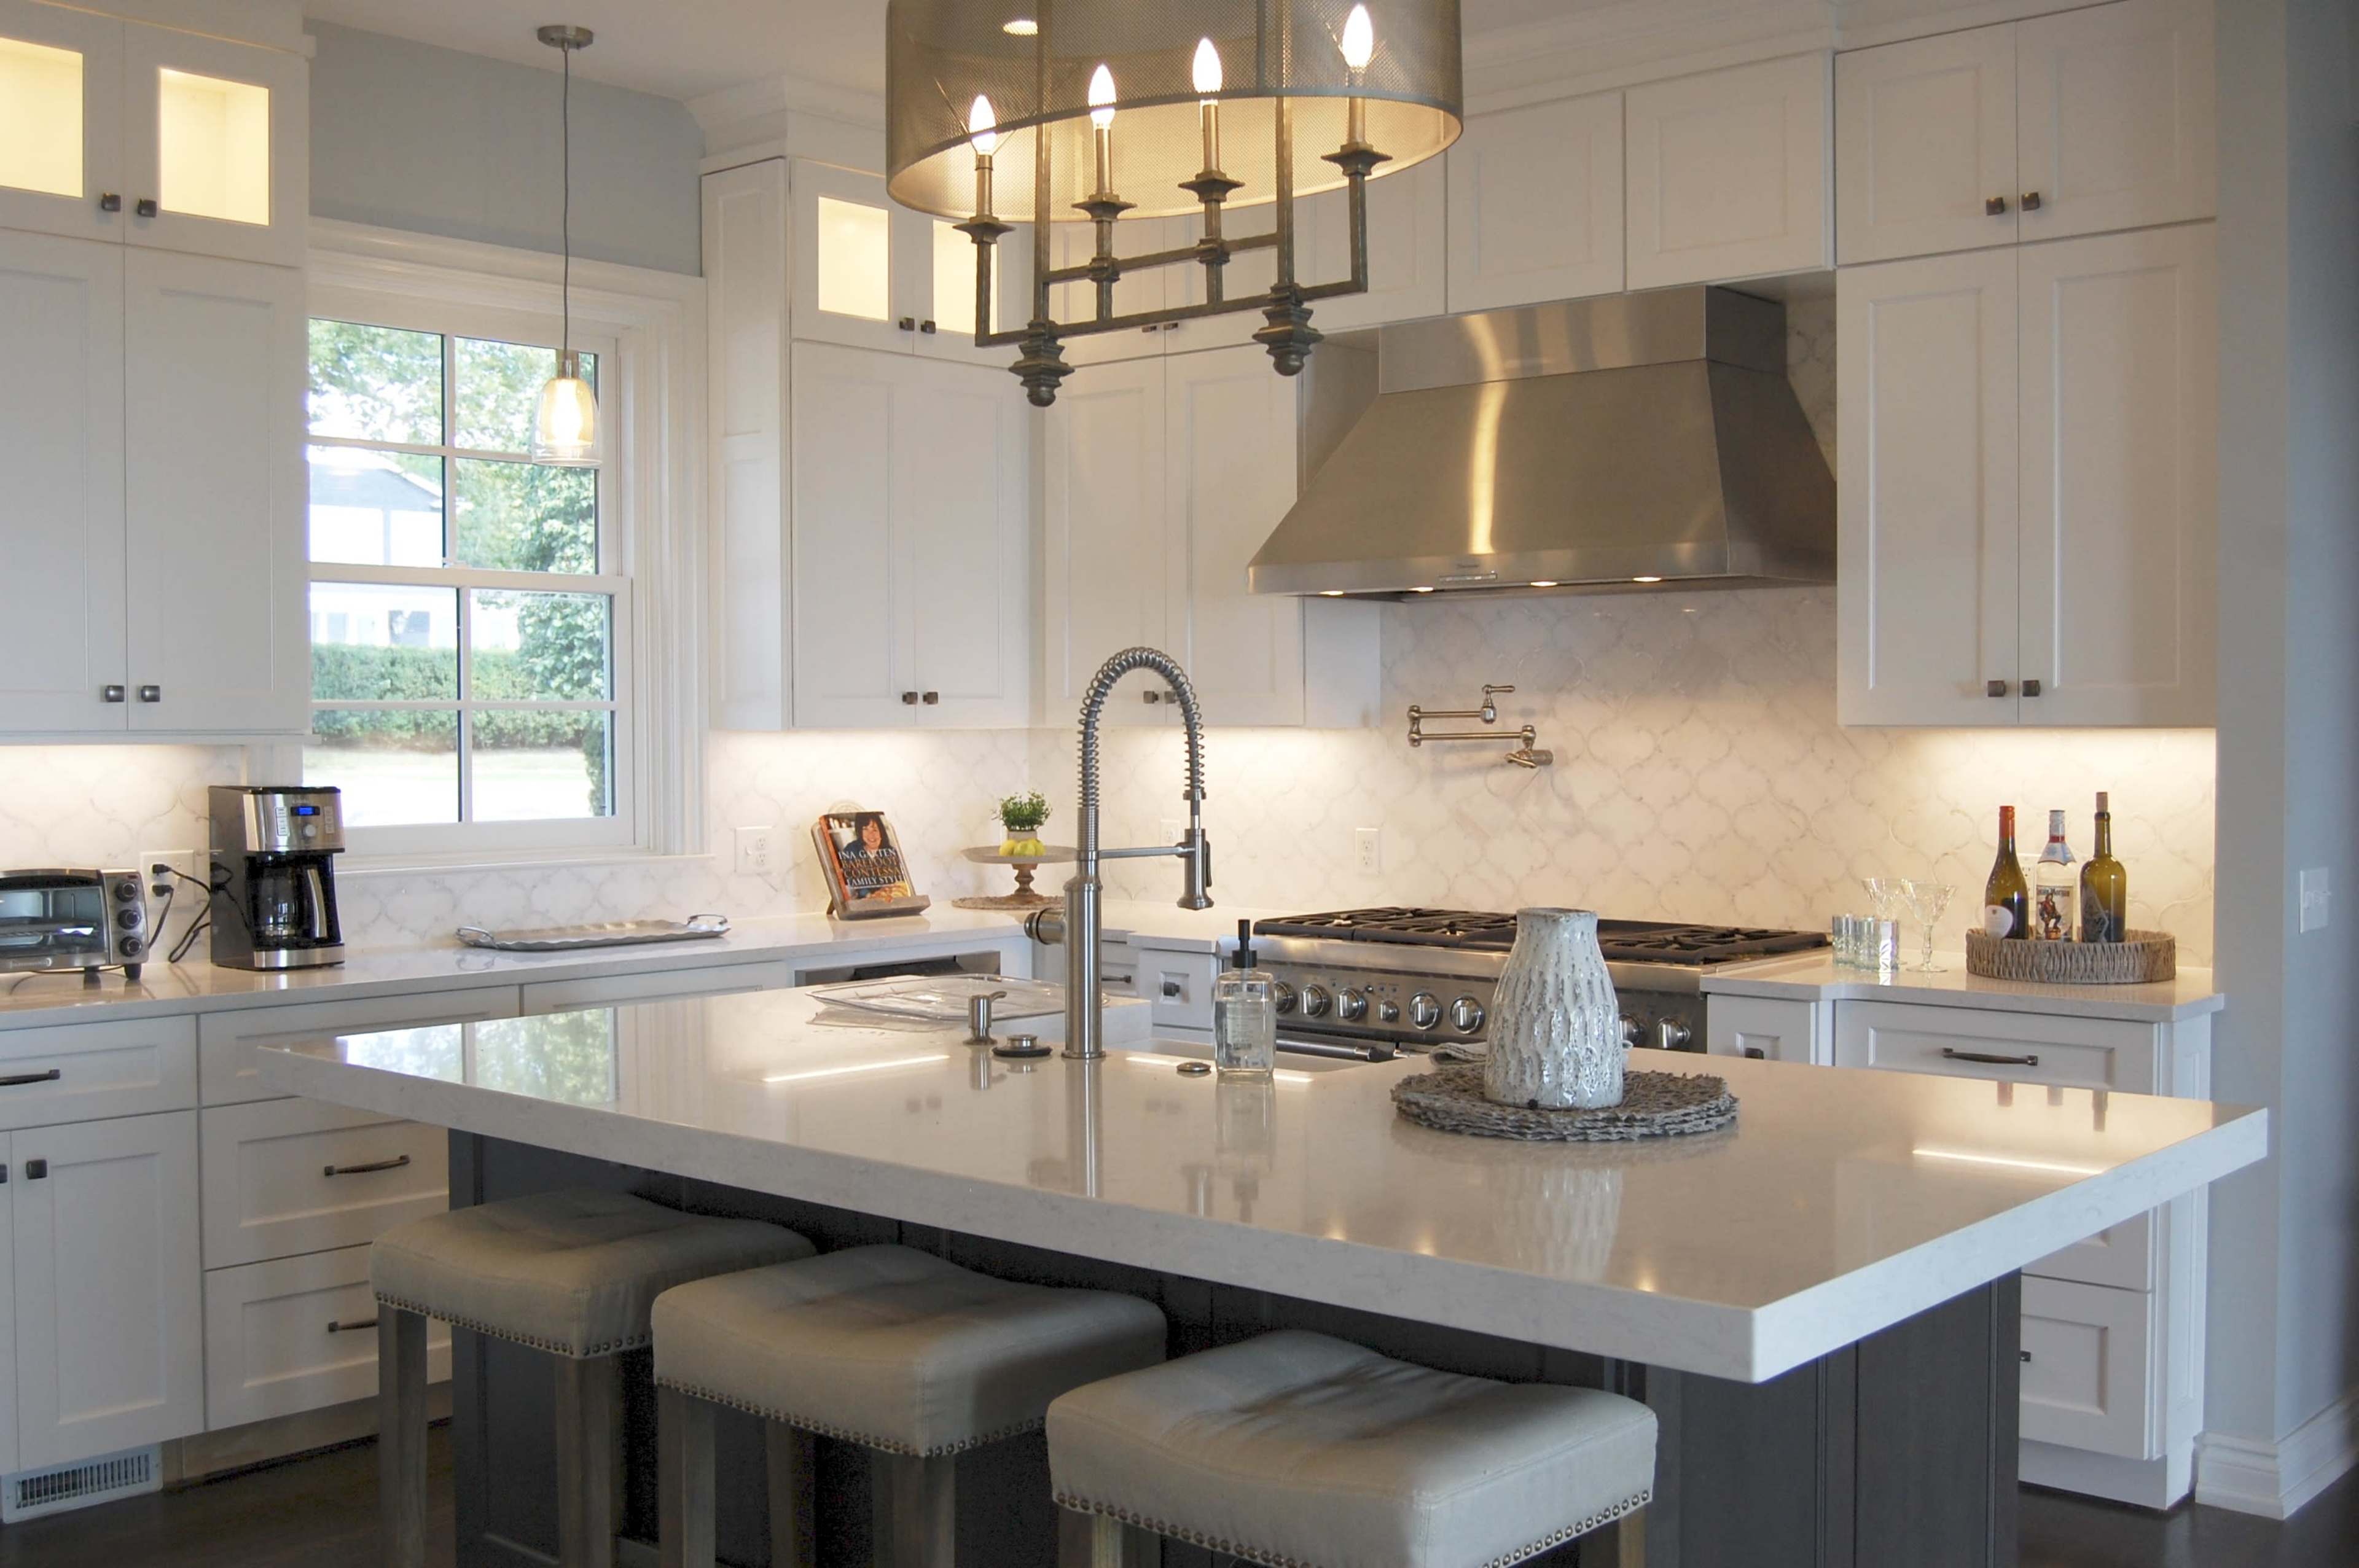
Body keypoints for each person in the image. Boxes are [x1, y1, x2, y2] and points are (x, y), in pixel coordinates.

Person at [832, 813, 913, 901]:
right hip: (862, 902)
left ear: (881, 832)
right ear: (860, 831)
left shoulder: (891, 852)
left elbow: (899, 882)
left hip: (890, 900)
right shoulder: (851, 850)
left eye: (874, 830)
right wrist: (869, 896)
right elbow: (852, 881)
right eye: (865, 829)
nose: (871, 835)